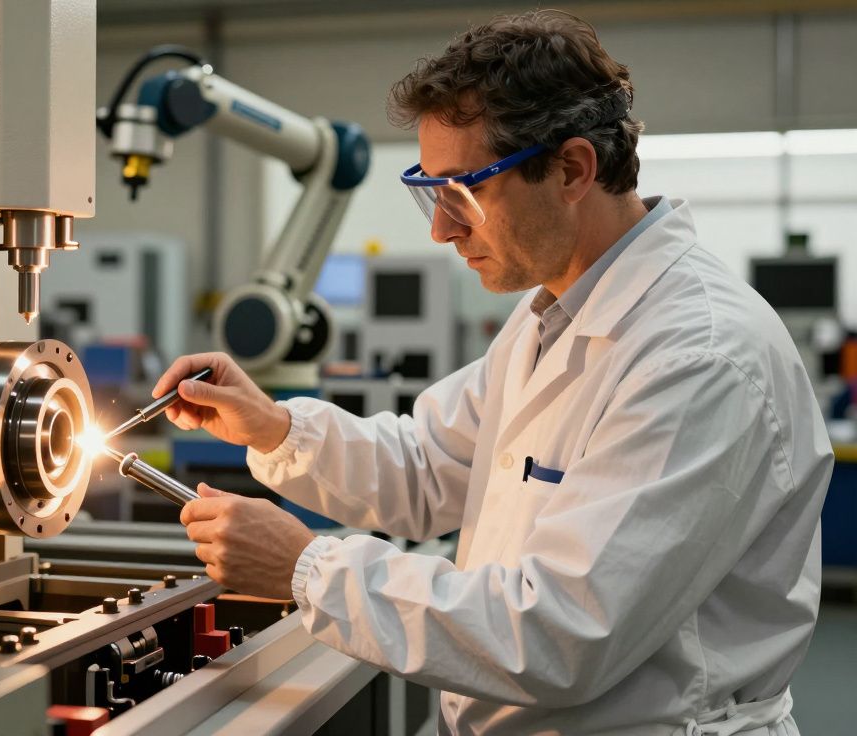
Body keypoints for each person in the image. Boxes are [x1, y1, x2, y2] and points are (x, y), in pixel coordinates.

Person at [155, 11, 832, 735]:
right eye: (430, 190)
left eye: (463, 191)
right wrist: (275, 424)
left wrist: (308, 568)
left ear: (573, 169)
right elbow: (426, 466)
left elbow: (562, 636)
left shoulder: (697, 355)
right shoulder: (552, 316)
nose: (441, 229)